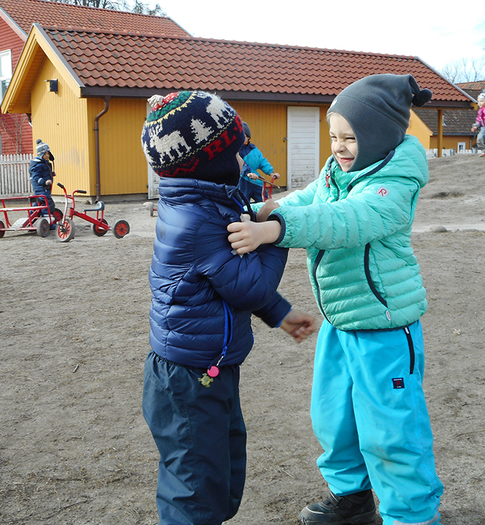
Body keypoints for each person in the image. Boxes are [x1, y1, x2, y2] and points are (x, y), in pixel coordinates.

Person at [227, 74, 444, 525]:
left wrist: (276, 229)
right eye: (334, 136)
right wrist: (265, 210)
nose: (340, 146)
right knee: (334, 417)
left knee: (391, 429)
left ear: (380, 136)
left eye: (350, 137)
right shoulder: (337, 170)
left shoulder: (395, 181)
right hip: (341, 320)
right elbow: (311, 197)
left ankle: (412, 516)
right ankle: (353, 497)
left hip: (384, 328)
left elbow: (349, 219)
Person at [140, 91, 316, 525]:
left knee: (217, 472)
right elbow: (249, 281)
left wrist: (281, 314)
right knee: (195, 490)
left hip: (204, 368)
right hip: (189, 378)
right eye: (240, 152)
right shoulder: (200, 221)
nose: (246, 160)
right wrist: (277, 232)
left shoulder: (201, 203)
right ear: (210, 160)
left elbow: (233, 285)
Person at [236, 121, 280, 203]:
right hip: (243, 181)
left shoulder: (254, 150)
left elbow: (262, 162)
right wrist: (248, 173)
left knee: (264, 202)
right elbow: (240, 164)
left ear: (248, 137)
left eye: (243, 135)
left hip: (256, 181)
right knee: (243, 204)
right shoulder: (236, 150)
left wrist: (271, 173)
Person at [29, 139, 56, 215]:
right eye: (45, 154)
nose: (48, 156)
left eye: (48, 153)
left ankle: (32, 216)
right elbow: (35, 176)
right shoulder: (38, 165)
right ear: (41, 155)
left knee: (39, 202)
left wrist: (51, 174)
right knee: (46, 202)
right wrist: (44, 181)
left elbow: (45, 172)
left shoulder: (45, 163)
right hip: (41, 187)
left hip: (45, 188)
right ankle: (46, 218)